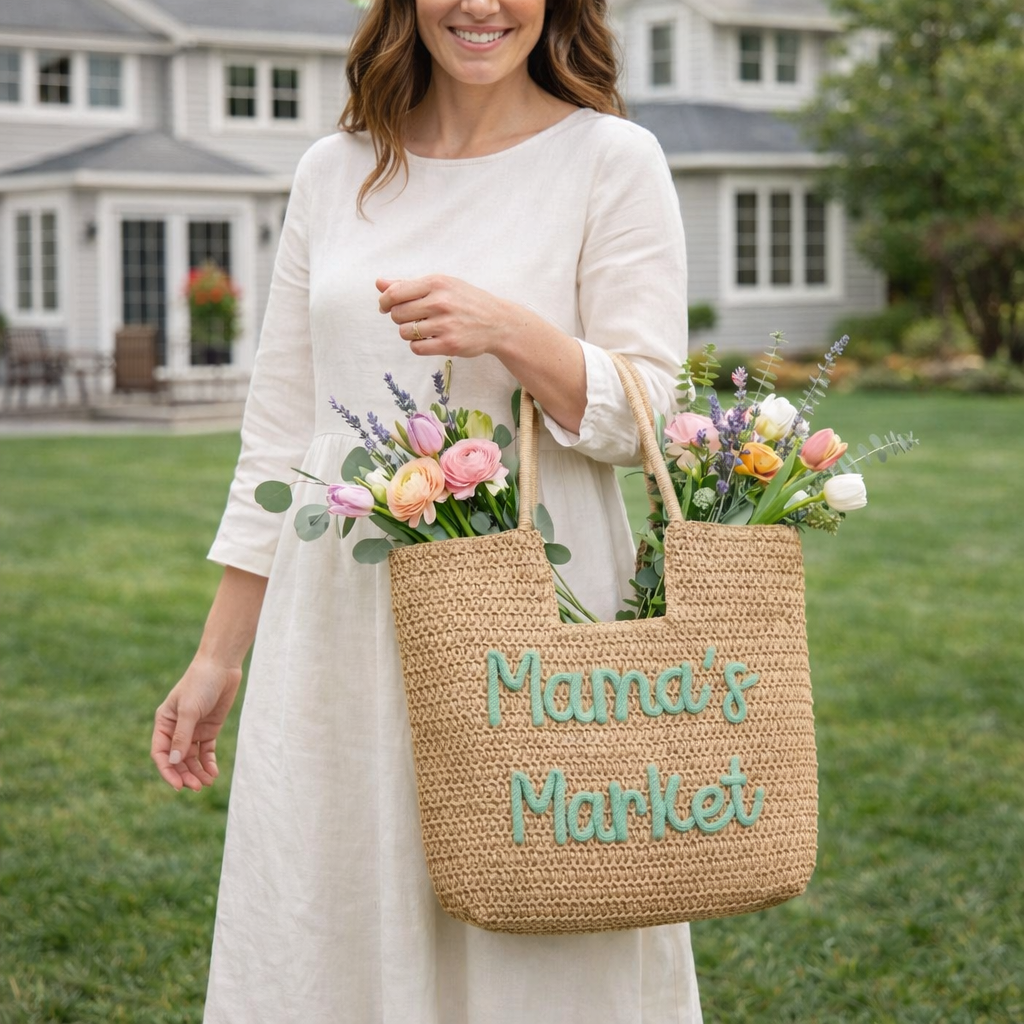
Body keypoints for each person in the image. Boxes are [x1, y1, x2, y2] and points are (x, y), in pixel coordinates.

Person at [151, 0, 700, 1019]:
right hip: (343, 608)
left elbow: (651, 416)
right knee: (337, 887)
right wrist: (220, 652)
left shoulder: (612, 159)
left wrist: (509, 331)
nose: (480, 7)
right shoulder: (336, 168)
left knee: (540, 883)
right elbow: (281, 426)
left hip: (535, 601)